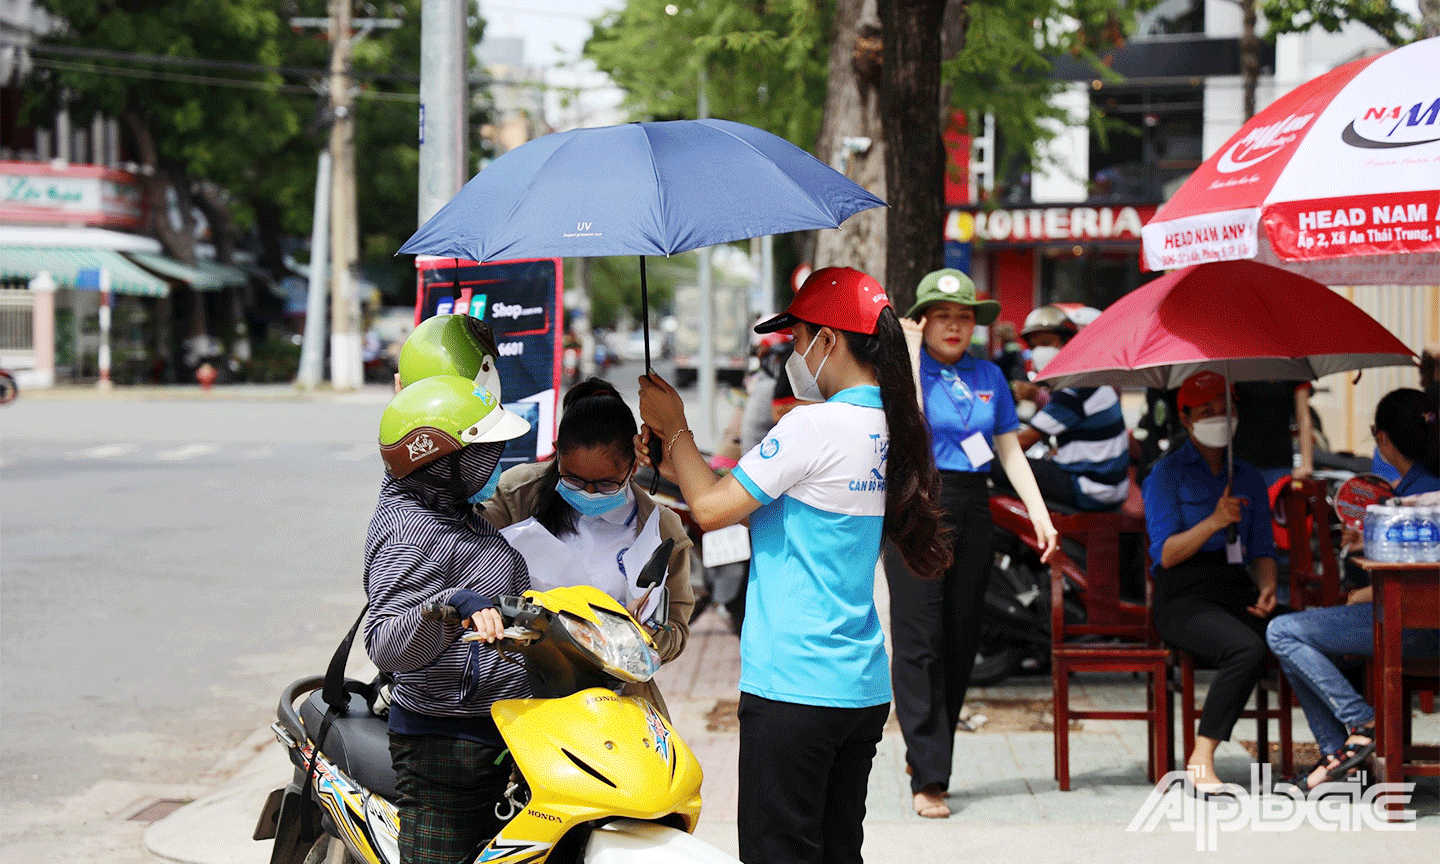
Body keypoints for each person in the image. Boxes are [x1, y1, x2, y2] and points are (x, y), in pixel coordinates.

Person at [635, 266, 950, 864]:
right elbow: (735, 491)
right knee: (837, 852)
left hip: (793, 685)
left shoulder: (812, 425)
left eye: (798, 337)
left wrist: (674, 424)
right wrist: (677, 456)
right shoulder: (893, 426)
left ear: (828, 340)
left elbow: (710, 507)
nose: (794, 353)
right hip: (857, 688)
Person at [887, 269, 1058, 819]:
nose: (955, 326)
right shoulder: (905, 370)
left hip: (973, 505)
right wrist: (911, 354)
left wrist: (1039, 515)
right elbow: (907, 427)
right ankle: (929, 773)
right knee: (920, 640)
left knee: (961, 639)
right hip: (918, 505)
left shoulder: (989, 375)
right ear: (924, 321)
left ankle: (931, 756)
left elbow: (1008, 449)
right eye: (943, 316)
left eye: (964, 317)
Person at [363, 375, 534, 864]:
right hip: (442, 744)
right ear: (439, 463)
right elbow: (385, 642)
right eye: (483, 453)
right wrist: (449, 605)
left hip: (506, 729)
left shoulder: (459, 514)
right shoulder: (409, 535)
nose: (493, 463)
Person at [477, 377, 694, 716]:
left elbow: (676, 631)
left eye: (606, 483)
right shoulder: (517, 496)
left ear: (633, 467)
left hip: (618, 703)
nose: (589, 493)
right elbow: (464, 550)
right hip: (524, 695)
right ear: (556, 454)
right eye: (574, 479)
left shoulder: (660, 529)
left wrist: (648, 635)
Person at [1266, 387, 1440, 792]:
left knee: (1284, 631)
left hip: (1415, 626)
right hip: (1414, 618)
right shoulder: (1414, 488)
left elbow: (1410, 583)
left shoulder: (1414, 496)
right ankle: (1338, 752)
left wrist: (1365, 588)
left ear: (1382, 439)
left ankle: (1360, 723)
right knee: (1300, 629)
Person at [1142, 370, 1281, 797]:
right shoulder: (1165, 475)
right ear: (1185, 418)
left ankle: (1342, 748)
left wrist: (1267, 587)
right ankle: (1202, 757)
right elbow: (1165, 553)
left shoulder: (1250, 477)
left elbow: (1261, 547)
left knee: (1298, 636)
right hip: (1181, 594)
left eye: (1226, 408)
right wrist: (1215, 522)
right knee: (1247, 648)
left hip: (1234, 588)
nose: (1219, 416)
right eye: (1207, 410)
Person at [1004, 304, 1130, 512]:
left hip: (1090, 489)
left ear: (1066, 344)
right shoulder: (1088, 377)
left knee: (998, 465)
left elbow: (1022, 442)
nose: (1040, 352)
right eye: (1034, 347)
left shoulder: (1075, 388)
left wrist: (977, 452)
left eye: (1047, 343)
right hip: (1108, 486)